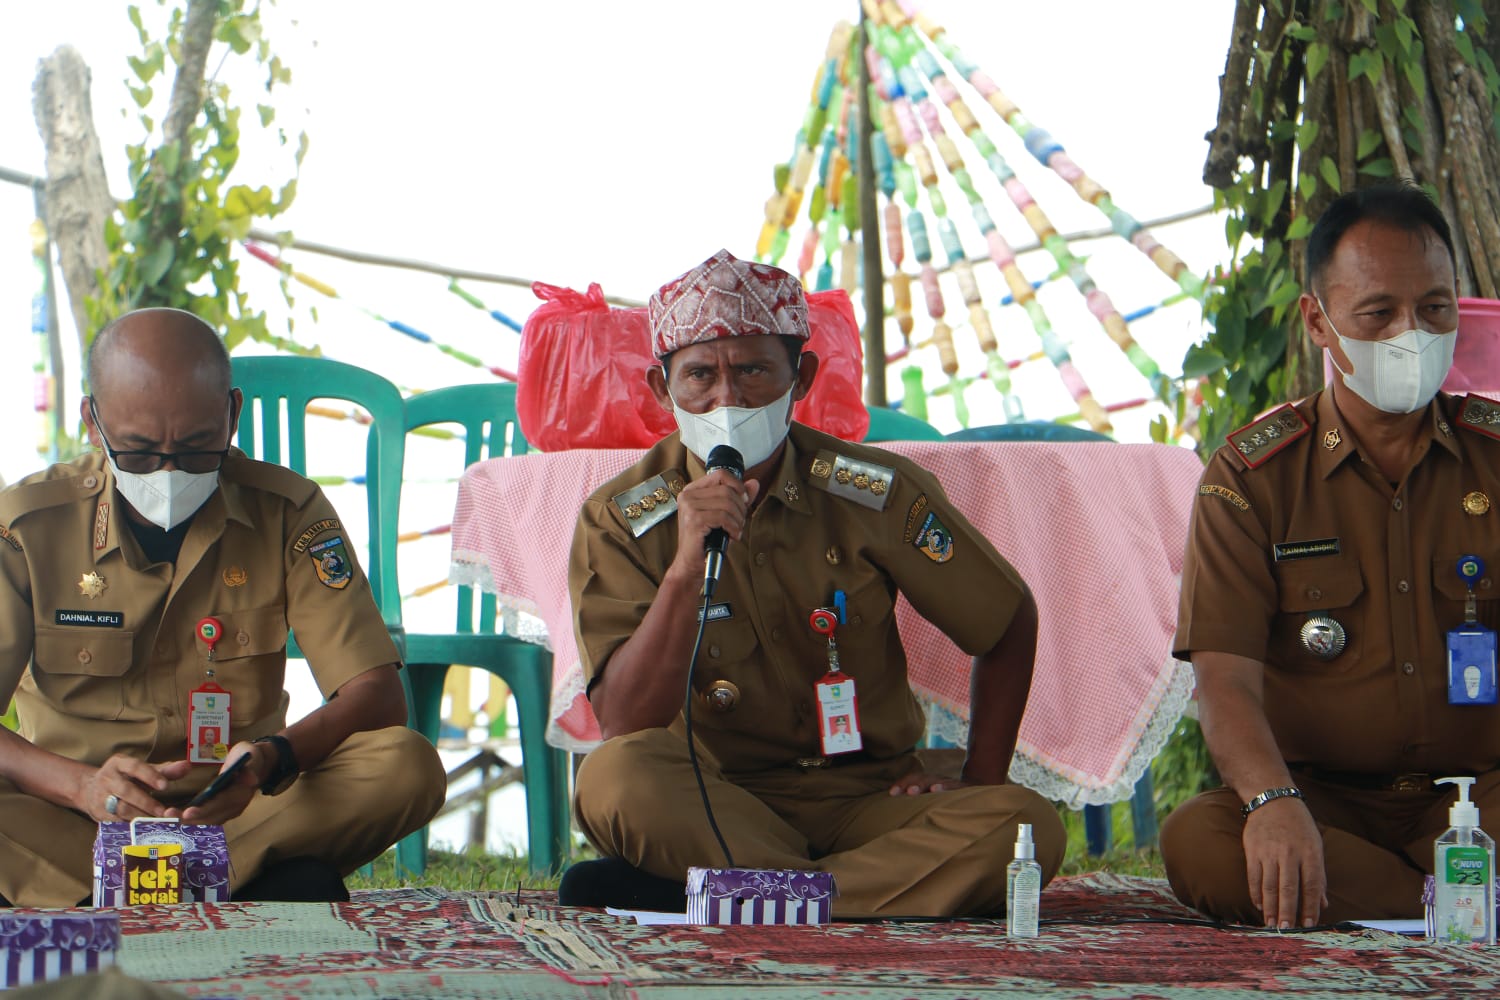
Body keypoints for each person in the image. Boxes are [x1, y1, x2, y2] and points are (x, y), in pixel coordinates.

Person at [560, 249, 1063, 917]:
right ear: (661, 390)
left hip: (873, 799)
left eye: (754, 372)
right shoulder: (622, 517)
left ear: (801, 376)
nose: (727, 401)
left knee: (1025, 825)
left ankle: (746, 895)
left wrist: (980, 777)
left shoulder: (875, 493)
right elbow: (626, 719)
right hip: (715, 800)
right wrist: (685, 569)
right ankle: (851, 891)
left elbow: (1006, 621)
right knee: (612, 779)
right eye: (700, 377)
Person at [0, 307, 445, 907]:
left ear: (232, 414)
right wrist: (82, 787)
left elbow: (377, 696)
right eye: (136, 452)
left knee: (405, 764)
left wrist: (271, 759)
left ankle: (117, 897)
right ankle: (242, 888)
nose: (168, 472)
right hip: (77, 818)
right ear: (91, 420)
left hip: (234, 815)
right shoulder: (26, 526)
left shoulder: (287, 512)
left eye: (196, 448)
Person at [1161, 183, 1500, 928]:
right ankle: (1462, 905)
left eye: (1435, 308)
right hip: (1324, 805)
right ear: (1319, 320)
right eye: (1379, 313)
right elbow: (1224, 684)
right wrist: (1273, 802)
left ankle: (1418, 904)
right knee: (1201, 840)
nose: (1412, 333)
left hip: (1481, 797)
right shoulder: (1254, 478)